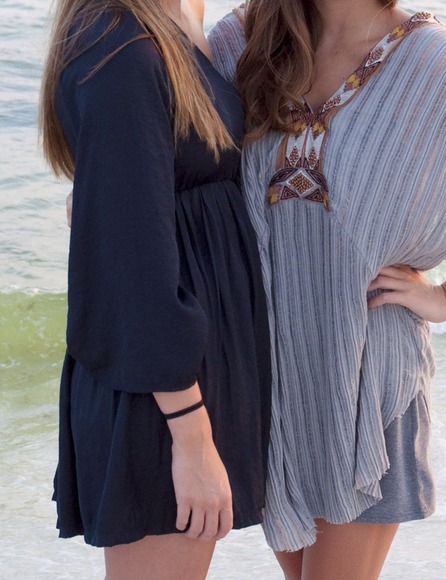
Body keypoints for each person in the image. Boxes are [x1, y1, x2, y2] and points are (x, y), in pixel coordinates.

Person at [208, 0, 446, 578]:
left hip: (369, 380)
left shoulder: (437, 60)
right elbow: (163, 120)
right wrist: (101, 186)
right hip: (269, 379)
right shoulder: (248, 40)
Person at [40, 0, 270, 577]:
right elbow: (132, 267)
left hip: (184, 374)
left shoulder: (175, 17)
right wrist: (190, 437)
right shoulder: (118, 45)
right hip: (161, 391)